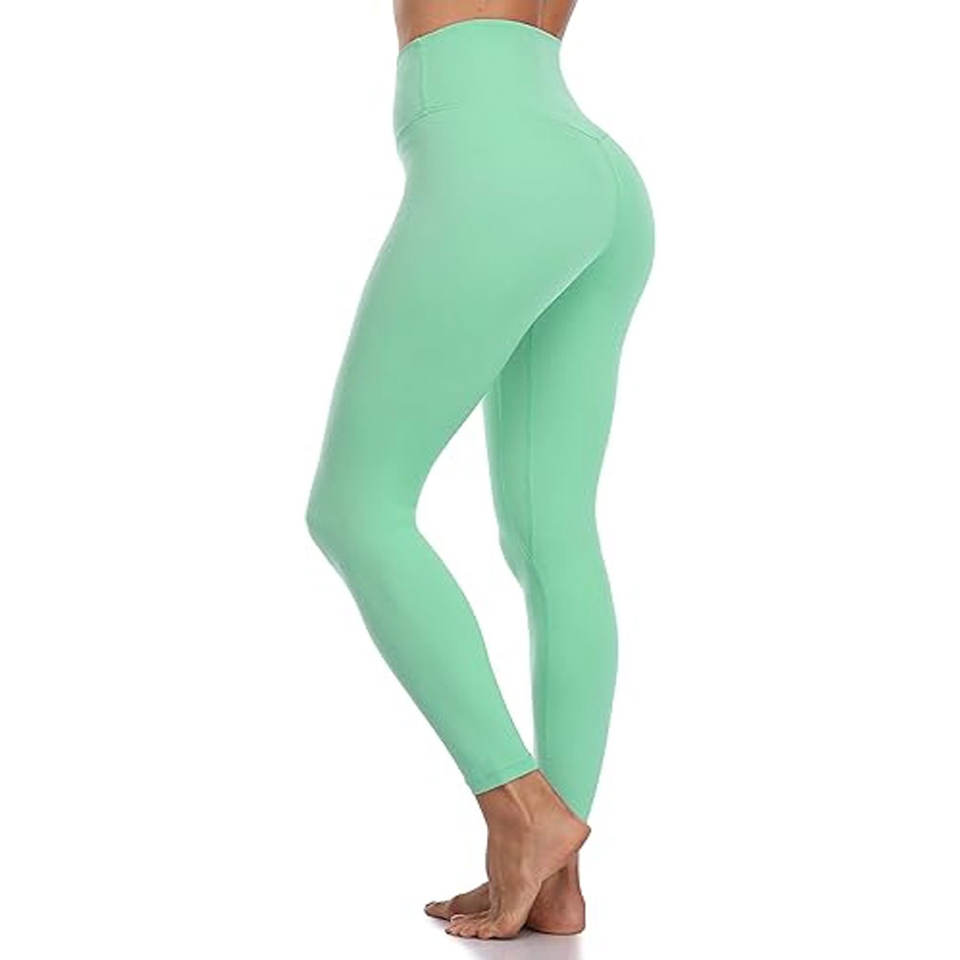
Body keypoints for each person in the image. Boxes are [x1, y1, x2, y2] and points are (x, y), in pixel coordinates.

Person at [306, 0, 654, 940]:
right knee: (553, 535)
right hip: (597, 175)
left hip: (494, 166)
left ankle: (518, 805)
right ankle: (557, 877)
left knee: (356, 509)